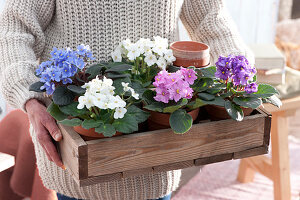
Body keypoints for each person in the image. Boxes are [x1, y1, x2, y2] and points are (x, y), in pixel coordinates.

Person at [0, 0, 254, 199]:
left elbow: (213, 21)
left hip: (156, 144)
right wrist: (29, 98)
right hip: (77, 142)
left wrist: (241, 71)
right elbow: (14, 29)